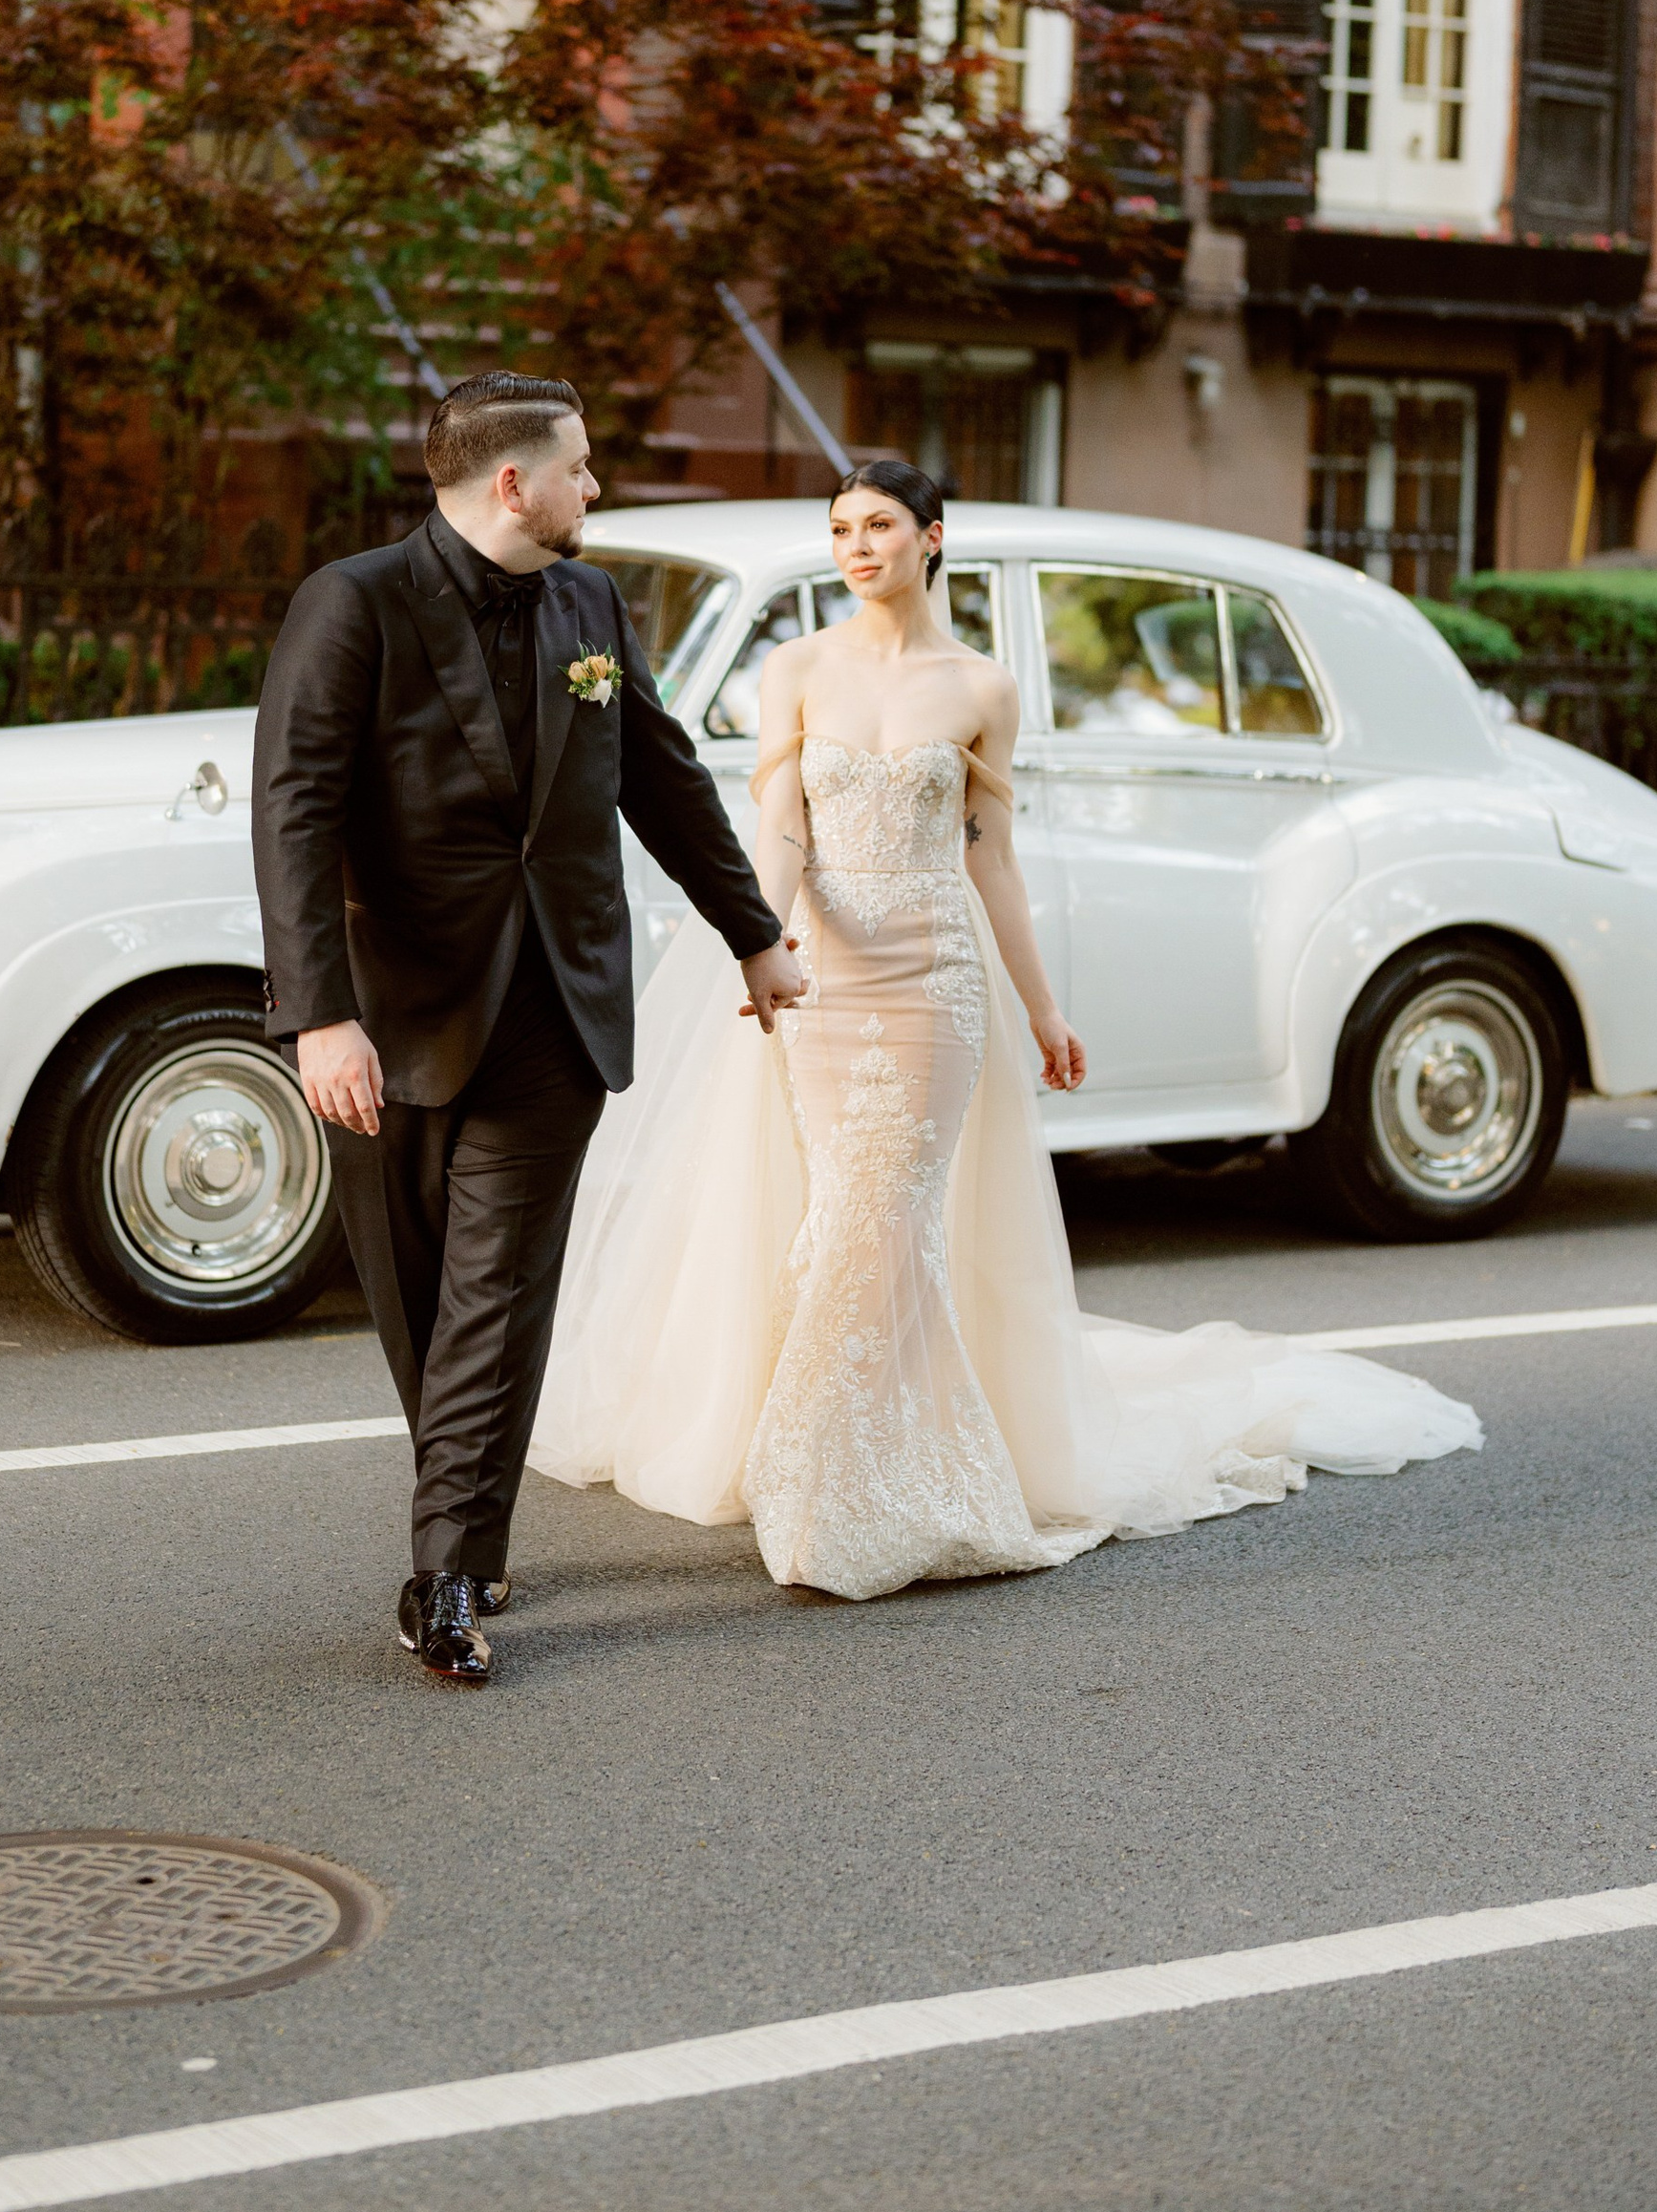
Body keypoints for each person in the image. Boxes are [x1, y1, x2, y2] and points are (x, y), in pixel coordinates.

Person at [533, 458, 1480, 1601]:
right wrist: (763, 941)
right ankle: (862, 1443)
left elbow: (993, 857)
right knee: (844, 1212)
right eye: (840, 527)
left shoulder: (982, 687)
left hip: (936, 986)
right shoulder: (795, 668)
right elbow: (780, 830)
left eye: (879, 524)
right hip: (824, 981)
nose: (856, 545)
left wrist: (1042, 1007)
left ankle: (830, 1475)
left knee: (884, 1215)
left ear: (933, 537)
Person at [252, 370, 803, 1683]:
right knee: (416, 1299)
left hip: (558, 1004)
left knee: (497, 1293)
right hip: (391, 1019)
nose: (596, 488)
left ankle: (441, 1574)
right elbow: (294, 810)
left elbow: (662, 779)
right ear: (515, 482)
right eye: (582, 466)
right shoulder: (355, 603)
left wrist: (757, 935)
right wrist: (319, 1018)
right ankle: (475, 1515)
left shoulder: (591, 603)